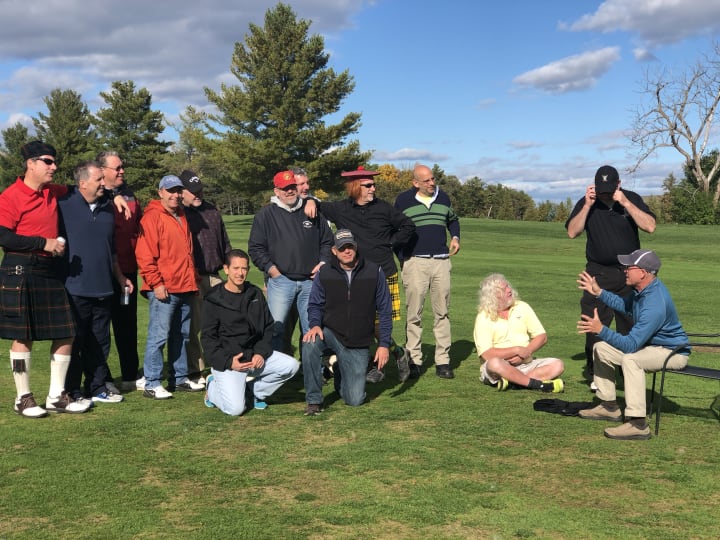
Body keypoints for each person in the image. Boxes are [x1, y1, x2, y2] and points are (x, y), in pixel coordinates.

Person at [0, 141, 92, 417]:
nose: (54, 166)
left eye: (54, 161)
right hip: (20, 269)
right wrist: (44, 242)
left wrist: (116, 195)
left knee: (66, 332)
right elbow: (3, 236)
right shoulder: (11, 196)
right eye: (48, 161)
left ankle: (56, 396)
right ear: (31, 164)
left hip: (48, 270)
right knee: (23, 335)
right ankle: (23, 398)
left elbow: (81, 188)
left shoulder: (53, 191)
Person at [304, 166, 415, 383]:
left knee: (377, 326)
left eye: (373, 185)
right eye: (368, 185)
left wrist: (391, 243)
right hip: (356, 277)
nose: (373, 188)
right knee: (359, 323)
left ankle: (390, 358)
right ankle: (390, 356)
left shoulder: (384, 208)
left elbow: (408, 226)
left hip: (384, 272)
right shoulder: (341, 209)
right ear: (356, 187)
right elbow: (318, 205)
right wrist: (310, 200)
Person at [576, 249, 689, 440]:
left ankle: (638, 424)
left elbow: (630, 346)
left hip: (672, 352)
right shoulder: (641, 291)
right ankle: (608, 406)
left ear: (643, 272)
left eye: (629, 267)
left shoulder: (654, 303)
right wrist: (599, 292)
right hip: (652, 347)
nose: (625, 270)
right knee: (601, 348)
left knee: (631, 360)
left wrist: (601, 329)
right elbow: (626, 306)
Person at [566, 165, 656, 389]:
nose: (604, 194)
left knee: (630, 325)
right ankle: (597, 374)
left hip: (629, 274)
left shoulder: (631, 198)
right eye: (601, 189)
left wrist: (625, 203)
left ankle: (630, 371)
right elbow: (572, 232)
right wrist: (587, 205)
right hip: (598, 273)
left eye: (609, 189)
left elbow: (650, 226)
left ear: (618, 184)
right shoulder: (587, 202)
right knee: (594, 324)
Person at [58, 160, 133, 404]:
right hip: (74, 287)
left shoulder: (107, 207)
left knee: (100, 342)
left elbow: (111, 250)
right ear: (82, 183)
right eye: (98, 179)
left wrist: (120, 277)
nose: (103, 183)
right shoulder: (65, 203)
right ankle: (72, 390)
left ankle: (97, 387)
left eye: (103, 178)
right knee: (75, 341)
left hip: (104, 287)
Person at [302, 229, 392, 415]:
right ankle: (314, 400)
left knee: (355, 400)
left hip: (359, 341)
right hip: (331, 333)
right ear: (334, 251)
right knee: (310, 343)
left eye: (350, 246)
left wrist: (384, 344)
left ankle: (338, 369)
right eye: (342, 248)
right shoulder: (324, 272)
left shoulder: (374, 271)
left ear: (356, 247)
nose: (347, 251)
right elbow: (315, 304)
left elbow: (385, 310)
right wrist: (315, 325)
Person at [201, 249, 299, 415]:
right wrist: (228, 362)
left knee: (291, 366)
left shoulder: (255, 293)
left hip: (254, 358)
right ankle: (212, 387)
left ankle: (252, 392)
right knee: (235, 409)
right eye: (236, 268)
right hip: (230, 362)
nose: (240, 273)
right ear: (226, 269)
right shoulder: (213, 299)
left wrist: (260, 352)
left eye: (244, 268)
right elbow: (208, 339)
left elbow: (268, 327)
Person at [135, 175, 204, 399]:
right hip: (164, 287)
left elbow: (186, 252)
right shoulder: (152, 217)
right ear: (160, 192)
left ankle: (180, 378)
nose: (175, 195)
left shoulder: (181, 214)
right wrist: (156, 282)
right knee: (159, 336)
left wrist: (193, 279)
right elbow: (144, 255)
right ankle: (152, 382)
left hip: (185, 285)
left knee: (182, 335)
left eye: (178, 190)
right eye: (170, 190)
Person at [248, 170, 333, 352]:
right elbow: (256, 248)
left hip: (311, 282)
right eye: (284, 188)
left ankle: (311, 369)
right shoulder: (266, 215)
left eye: (292, 187)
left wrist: (323, 263)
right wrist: (272, 270)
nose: (289, 191)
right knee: (276, 330)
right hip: (281, 281)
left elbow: (327, 242)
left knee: (312, 329)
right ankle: (278, 369)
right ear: (276, 191)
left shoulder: (311, 211)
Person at [395, 164, 460, 380]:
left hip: (441, 260)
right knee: (414, 313)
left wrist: (455, 237)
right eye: (426, 181)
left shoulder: (444, 198)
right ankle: (414, 360)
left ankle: (443, 361)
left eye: (433, 179)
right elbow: (394, 229)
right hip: (415, 261)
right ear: (415, 183)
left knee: (442, 312)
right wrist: (402, 257)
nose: (432, 183)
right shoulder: (403, 200)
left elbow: (453, 220)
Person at [96, 150, 144, 393]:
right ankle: (102, 379)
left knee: (127, 325)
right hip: (102, 272)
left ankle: (129, 374)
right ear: (102, 171)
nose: (122, 171)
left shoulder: (130, 195)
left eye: (122, 167)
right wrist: (111, 195)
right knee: (100, 327)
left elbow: (138, 229)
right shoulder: (95, 196)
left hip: (128, 270)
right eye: (117, 168)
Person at [180, 169, 232, 386]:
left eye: (199, 190)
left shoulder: (211, 211)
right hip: (193, 277)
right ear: (182, 192)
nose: (198, 195)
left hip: (215, 275)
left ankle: (222, 364)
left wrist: (230, 263)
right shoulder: (179, 214)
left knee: (223, 323)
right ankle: (195, 370)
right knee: (194, 326)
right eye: (193, 191)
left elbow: (224, 241)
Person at [473, 273, 565, 393]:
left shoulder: (522, 307)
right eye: (504, 289)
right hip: (501, 365)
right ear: (494, 295)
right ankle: (538, 385)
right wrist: (516, 350)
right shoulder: (483, 316)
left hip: (526, 363)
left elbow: (541, 336)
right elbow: (487, 354)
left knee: (558, 365)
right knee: (494, 363)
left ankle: (513, 381)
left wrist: (525, 354)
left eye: (508, 286)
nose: (509, 290)